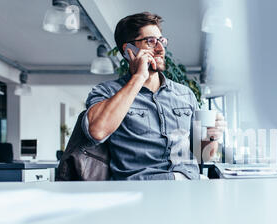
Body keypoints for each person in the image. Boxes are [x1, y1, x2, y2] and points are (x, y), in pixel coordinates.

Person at [82, 12, 226, 180]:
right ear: (129, 50)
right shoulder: (107, 92)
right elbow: (97, 131)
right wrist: (139, 77)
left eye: (161, 41)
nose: (160, 49)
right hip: (140, 189)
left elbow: (203, 156)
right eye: (151, 41)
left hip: (188, 187)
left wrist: (211, 135)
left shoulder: (185, 94)